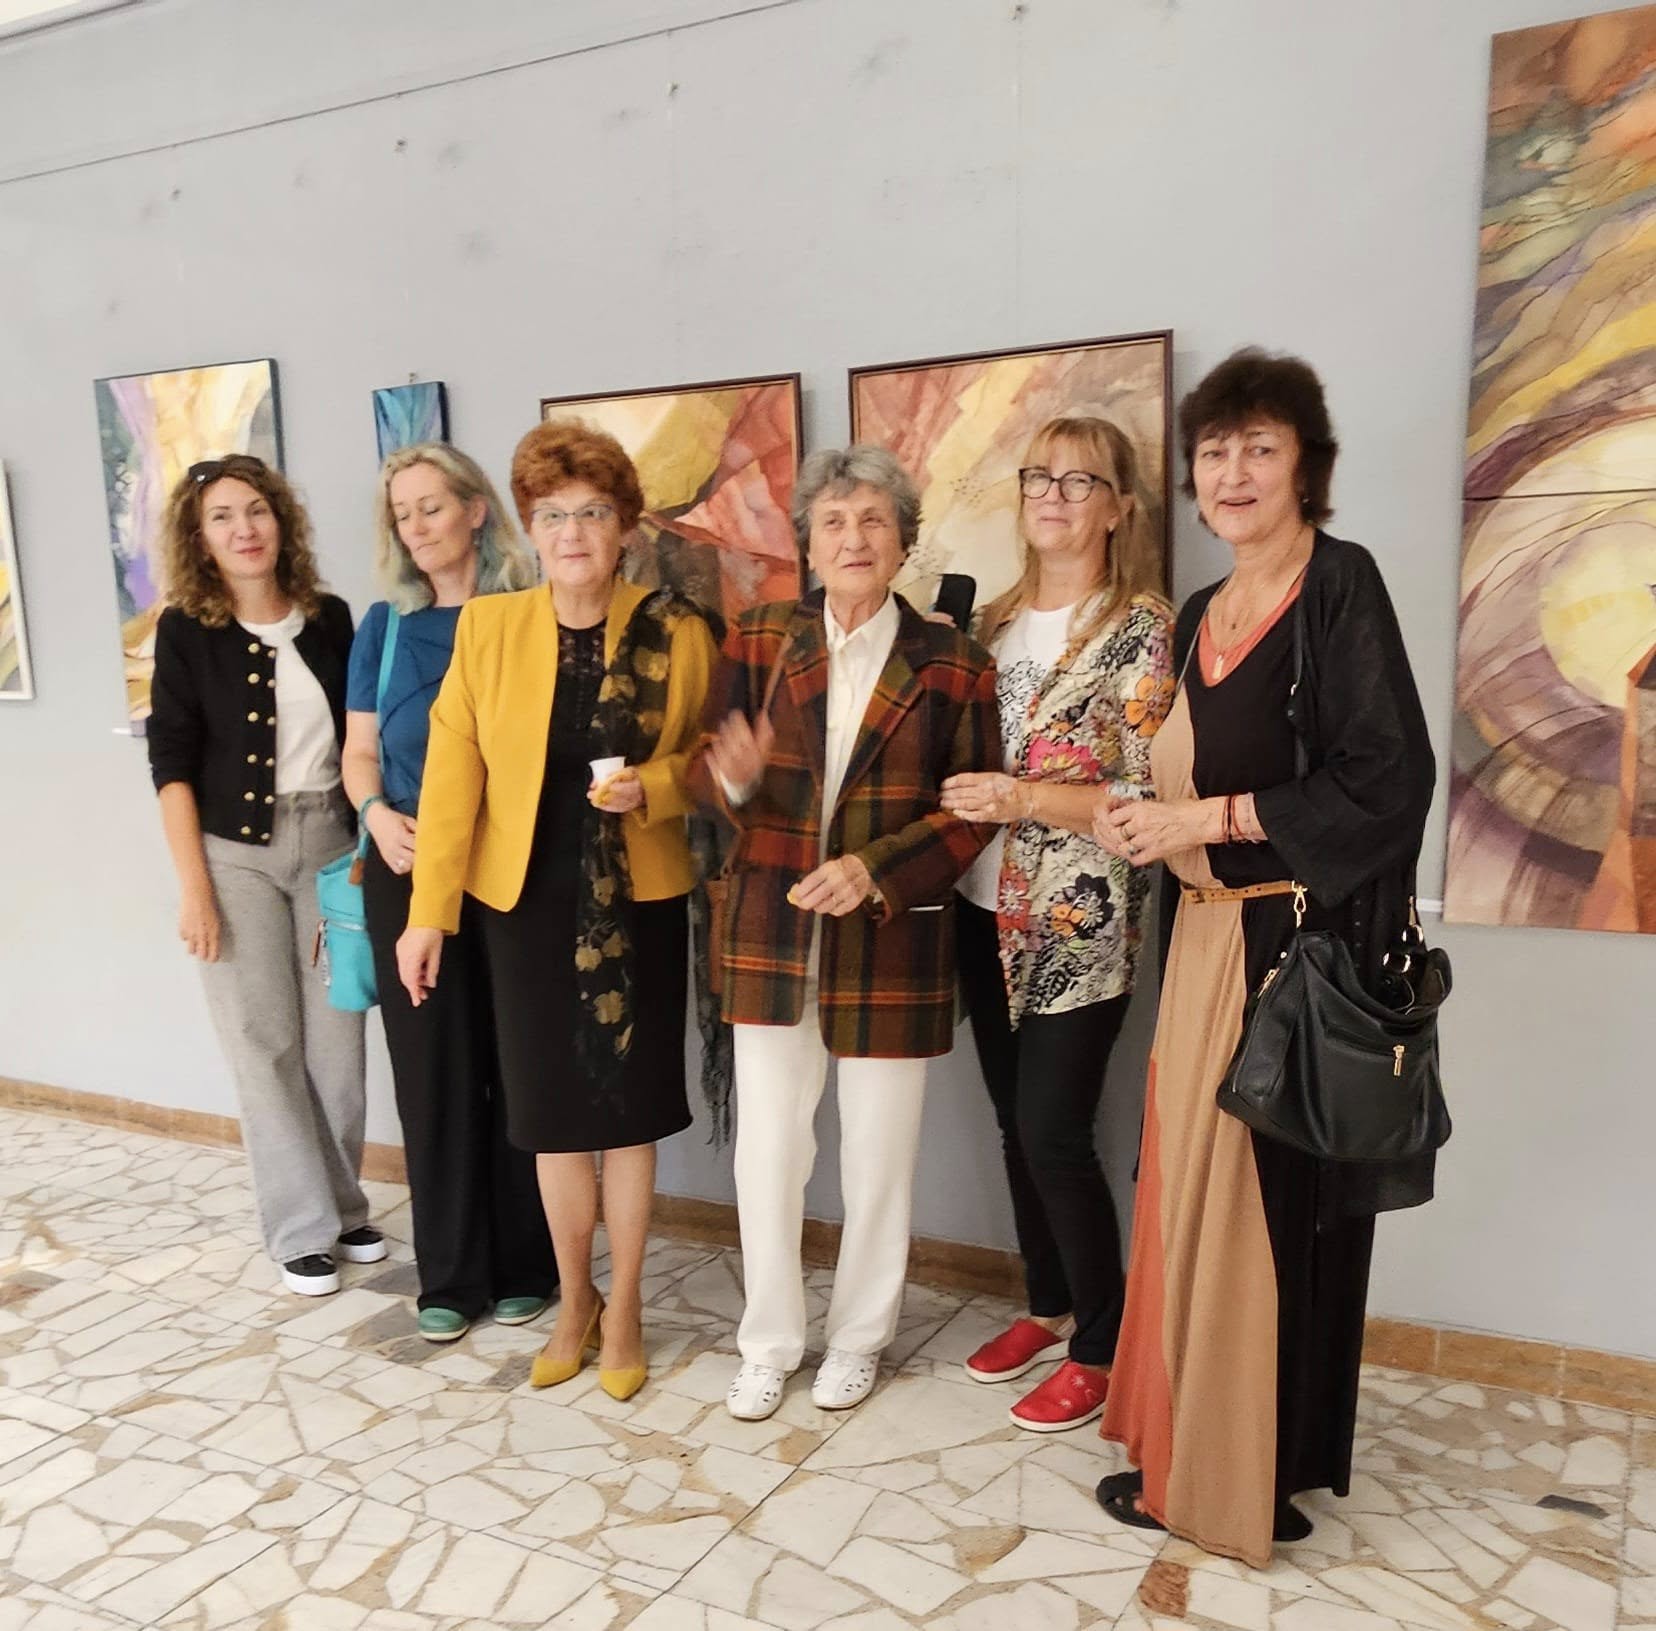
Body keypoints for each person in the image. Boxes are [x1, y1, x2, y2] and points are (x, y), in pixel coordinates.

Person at [1092, 349, 1435, 1564]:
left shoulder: (1339, 585)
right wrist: (1148, 821)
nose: (1233, 472)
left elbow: (1388, 778)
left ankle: (1242, 1476)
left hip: (1291, 950)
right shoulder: (1200, 612)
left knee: (1261, 1216)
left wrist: (1210, 817)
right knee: (1191, 1192)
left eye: (1260, 448)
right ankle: (1201, 1441)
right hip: (1203, 940)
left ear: (1306, 467)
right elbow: (1191, 775)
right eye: (1215, 451)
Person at [397, 420, 717, 1402]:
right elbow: (452, 779)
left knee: (628, 1115)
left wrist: (654, 785)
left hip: (639, 900)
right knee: (551, 1118)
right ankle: (575, 1298)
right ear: (529, 528)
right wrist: (427, 913)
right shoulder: (488, 629)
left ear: (624, 526)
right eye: (552, 514)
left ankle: (627, 1311)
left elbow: (714, 757)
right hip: (526, 907)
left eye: (592, 511)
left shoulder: (677, 629)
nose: (572, 531)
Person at [695, 445, 1000, 1422]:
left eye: (873, 520)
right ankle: (768, 1342)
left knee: (878, 1157)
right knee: (767, 1155)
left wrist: (876, 868)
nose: (853, 538)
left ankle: (860, 1338)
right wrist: (733, 773)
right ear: (809, 544)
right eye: (833, 521)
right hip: (771, 930)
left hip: (891, 938)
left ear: (903, 540)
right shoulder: (758, 638)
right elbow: (707, 777)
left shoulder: (954, 662)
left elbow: (970, 812)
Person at [938, 416, 1173, 1432]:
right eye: (1041, 476)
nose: (1055, 496)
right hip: (980, 906)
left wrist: (1023, 798)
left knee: (1053, 1128)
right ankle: (1050, 1300)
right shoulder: (988, 623)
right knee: (1012, 1120)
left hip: (1084, 920)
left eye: (1082, 481)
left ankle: (1103, 1343)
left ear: (1118, 508)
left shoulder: (1142, 630)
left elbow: (1150, 797)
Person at [147, 453, 383, 1296]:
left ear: (281, 520)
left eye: (256, 509)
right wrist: (195, 888)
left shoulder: (332, 618)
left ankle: (346, 1205)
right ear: (200, 538)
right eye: (222, 516)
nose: (244, 528)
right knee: (264, 1044)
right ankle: (301, 1228)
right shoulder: (185, 630)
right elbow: (171, 763)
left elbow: (366, 739)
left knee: (339, 1047)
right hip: (233, 858)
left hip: (330, 847)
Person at [341, 442, 556, 1343]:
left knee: (518, 1067)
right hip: (406, 871)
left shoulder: (531, 614)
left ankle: (527, 1266)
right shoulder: (384, 628)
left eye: (432, 506)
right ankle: (451, 1275)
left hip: (507, 874)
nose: (417, 526)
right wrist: (375, 813)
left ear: (475, 509)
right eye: (403, 513)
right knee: (433, 1074)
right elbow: (358, 752)